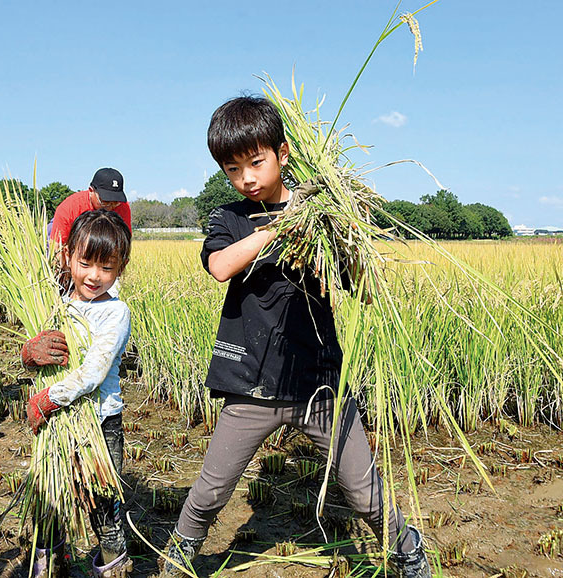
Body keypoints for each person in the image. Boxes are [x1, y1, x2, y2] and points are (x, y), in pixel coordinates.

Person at [157, 97, 431, 578]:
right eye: (233, 168)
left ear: (282, 153)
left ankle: (408, 548)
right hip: (252, 382)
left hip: (319, 382)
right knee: (212, 488)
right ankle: (180, 552)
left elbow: (365, 291)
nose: (246, 177)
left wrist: (349, 238)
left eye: (256, 162)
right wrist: (279, 226)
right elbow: (220, 267)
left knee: (363, 489)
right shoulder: (229, 219)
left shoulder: (321, 216)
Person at [21, 209, 133, 578]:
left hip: (100, 425)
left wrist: (48, 398)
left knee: (103, 507)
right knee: (49, 503)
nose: (94, 276)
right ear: (67, 256)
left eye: (107, 267)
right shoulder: (53, 303)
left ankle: (114, 568)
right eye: (85, 263)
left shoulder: (114, 313)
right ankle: (51, 568)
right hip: (56, 426)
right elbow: (39, 357)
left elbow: (93, 373)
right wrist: (28, 353)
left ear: (121, 267)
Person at [49, 168, 132, 248]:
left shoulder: (123, 206)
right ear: (91, 191)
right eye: (105, 202)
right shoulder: (69, 208)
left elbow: (124, 243)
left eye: (115, 203)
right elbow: (56, 247)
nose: (110, 207)